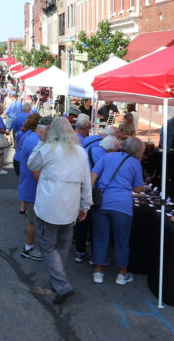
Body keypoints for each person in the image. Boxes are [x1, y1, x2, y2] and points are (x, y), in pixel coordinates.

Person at [27, 117, 92, 304]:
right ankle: (58, 279)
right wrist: (85, 205)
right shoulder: (80, 152)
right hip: (70, 207)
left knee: (47, 246)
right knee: (63, 245)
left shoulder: (48, 148)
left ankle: (62, 284)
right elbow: (86, 181)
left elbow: (32, 164)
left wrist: (41, 141)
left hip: (49, 207)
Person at [90, 137, 145, 285]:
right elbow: (138, 189)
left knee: (100, 238)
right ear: (138, 151)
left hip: (102, 203)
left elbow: (93, 176)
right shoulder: (135, 163)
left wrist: (88, 196)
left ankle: (98, 272)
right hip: (123, 205)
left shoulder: (107, 156)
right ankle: (122, 274)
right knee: (122, 240)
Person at [74, 135, 120, 263]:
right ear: (110, 150)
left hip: (80, 188)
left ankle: (80, 252)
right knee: (96, 225)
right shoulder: (106, 157)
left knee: (81, 222)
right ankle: (96, 257)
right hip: (95, 193)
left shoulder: (87, 150)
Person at [17, 114, 44, 259]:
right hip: (32, 187)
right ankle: (28, 249)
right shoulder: (35, 141)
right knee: (33, 221)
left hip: (28, 185)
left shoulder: (31, 137)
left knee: (33, 220)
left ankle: (30, 246)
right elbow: (36, 169)